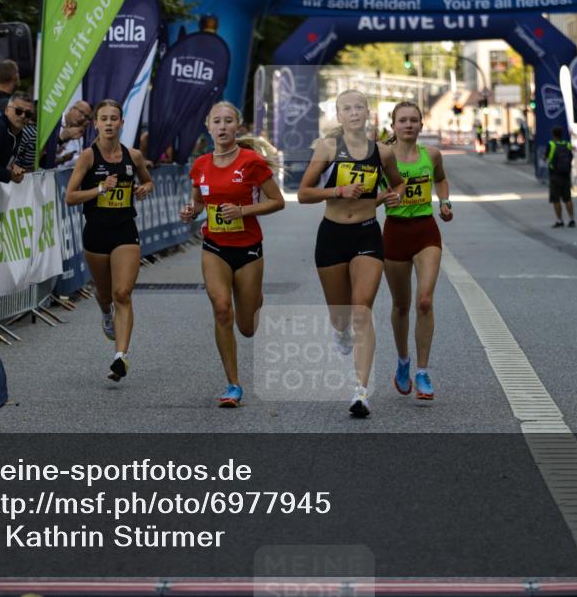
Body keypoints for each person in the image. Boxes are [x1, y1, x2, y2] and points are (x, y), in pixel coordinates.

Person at [297, 89, 404, 418]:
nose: (354, 112)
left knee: (362, 308)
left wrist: (392, 196)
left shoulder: (383, 153)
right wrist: (337, 190)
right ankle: (340, 330)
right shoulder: (328, 148)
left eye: (359, 107)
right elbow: (303, 193)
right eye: (347, 108)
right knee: (341, 316)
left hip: (367, 233)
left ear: (368, 113)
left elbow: (398, 183)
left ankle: (360, 390)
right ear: (339, 116)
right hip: (332, 235)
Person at [180, 102, 285, 407]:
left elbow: (277, 201)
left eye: (228, 121)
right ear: (208, 126)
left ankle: (255, 301)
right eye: (217, 121)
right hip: (214, 247)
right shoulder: (200, 165)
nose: (223, 127)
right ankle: (233, 385)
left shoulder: (252, 162)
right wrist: (192, 211)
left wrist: (244, 210)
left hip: (248, 248)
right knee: (222, 309)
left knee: (247, 328)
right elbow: (199, 202)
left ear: (237, 127)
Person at [65, 100, 154, 381]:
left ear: (121, 123)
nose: (108, 123)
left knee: (123, 293)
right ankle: (106, 314)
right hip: (96, 232)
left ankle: (120, 357)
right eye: (103, 118)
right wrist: (101, 188)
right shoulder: (88, 157)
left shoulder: (134, 156)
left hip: (125, 230)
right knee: (105, 295)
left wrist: (144, 188)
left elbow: (149, 181)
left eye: (113, 118)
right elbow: (70, 196)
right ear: (96, 124)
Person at [378, 102, 453, 402]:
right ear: (393, 125)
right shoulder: (382, 156)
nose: (408, 125)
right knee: (401, 305)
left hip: (425, 231)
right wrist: (383, 197)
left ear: (422, 125)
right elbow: (369, 190)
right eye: (402, 120)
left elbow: (441, 180)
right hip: (394, 233)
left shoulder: (431, 155)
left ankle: (422, 371)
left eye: (413, 120)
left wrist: (445, 203)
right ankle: (403, 362)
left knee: (424, 301)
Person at [547, 125, 575, 228]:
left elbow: (546, 157)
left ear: (553, 135)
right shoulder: (567, 145)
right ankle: (571, 219)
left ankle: (559, 220)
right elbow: (571, 156)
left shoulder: (551, 145)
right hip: (566, 174)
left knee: (556, 199)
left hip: (555, 175)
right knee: (567, 198)